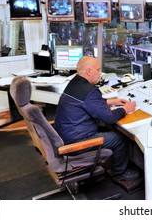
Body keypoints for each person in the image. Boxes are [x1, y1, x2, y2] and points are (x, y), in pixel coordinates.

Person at [54, 56, 141, 187]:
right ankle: (120, 174)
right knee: (119, 138)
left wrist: (111, 101)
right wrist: (125, 109)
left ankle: (113, 165)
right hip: (76, 142)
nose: (100, 73)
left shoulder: (75, 83)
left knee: (107, 129)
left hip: (65, 135)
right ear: (89, 71)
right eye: (98, 69)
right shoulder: (90, 91)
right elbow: (109, 118)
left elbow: (87, 103)